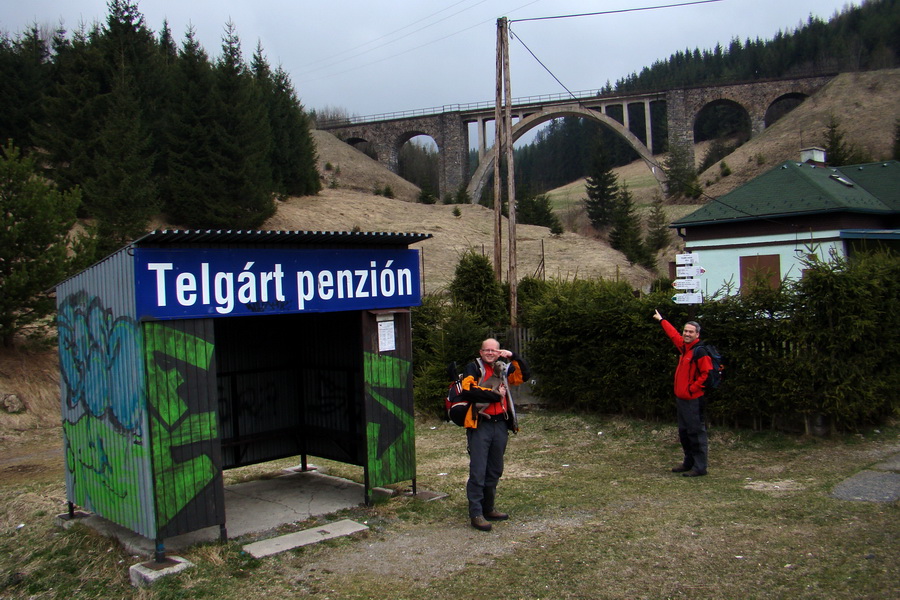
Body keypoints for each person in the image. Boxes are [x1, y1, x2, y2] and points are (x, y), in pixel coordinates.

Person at [459, 338, 529, 531]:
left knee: (495, 469)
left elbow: (524, 375)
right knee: (478, 471)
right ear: (480, 352)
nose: (490, 353)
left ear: (499, 353)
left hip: (500, 425)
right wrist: (496, 395)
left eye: (494, 350)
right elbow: (468, 391)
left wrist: (514, 357)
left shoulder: (503, 369)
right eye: (486, 350)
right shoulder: (473, 368)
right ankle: (476, 513)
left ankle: (488, 508)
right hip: (481, 424)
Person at [653, 310, 712, 477]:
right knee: (684, 432)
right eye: (685, 331)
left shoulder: (699, 352)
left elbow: (706, 374)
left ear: (697, 334)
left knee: (696, 433)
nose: (686, 334)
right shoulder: (685, 348)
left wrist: (692, 389)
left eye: (690, 332)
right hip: (682, 399)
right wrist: (662, 320)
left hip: (693, 400)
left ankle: (700, 467)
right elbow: (673, 336)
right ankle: (689, 462)